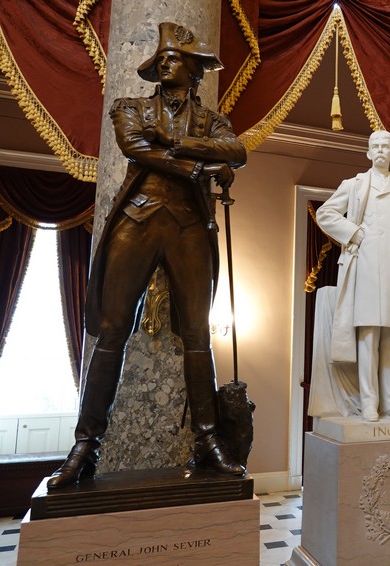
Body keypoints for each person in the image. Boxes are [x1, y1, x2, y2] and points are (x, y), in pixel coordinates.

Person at [47, 22, 247, 489]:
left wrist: (178, 143)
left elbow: (237, 151)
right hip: (136, 220)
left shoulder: (211, 120)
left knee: (197, 335)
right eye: (163, 59)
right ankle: (85, 445)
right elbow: (134, 147)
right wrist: (201, 166)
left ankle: (207, 440)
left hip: (190, 226)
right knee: (112, 331)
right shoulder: (130, 107)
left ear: (195, 71)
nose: (166, 63)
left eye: (176, 58)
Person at [316, 130, 390, 422]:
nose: (380, 150)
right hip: (365, 267)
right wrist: (353, 232)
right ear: (368, 153)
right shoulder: (354, 185)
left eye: (385, 146)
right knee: (369, 335)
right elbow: (326, 214)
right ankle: (369, 401)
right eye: (375, 146)